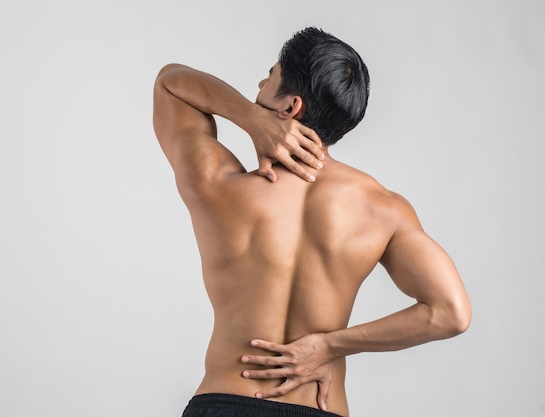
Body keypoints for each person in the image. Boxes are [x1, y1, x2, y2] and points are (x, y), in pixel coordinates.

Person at [153, 27, 471, 417]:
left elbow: (170, 81)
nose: (258, 83)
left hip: (225, 401)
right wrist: (329, 346)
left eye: (269, 76)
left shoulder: (219, 185)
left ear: (290, 107)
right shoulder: (383, 209)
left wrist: (249, 118)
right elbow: (449, 313)